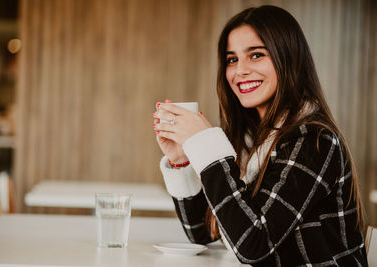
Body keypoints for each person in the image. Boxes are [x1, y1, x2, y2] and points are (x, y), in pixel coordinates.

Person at [152, 5, 368, 266]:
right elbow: (204, 233)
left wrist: (206, 147)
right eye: (232, 59)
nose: (240, 70)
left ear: (289, 58)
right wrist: (182, 160)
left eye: (256, 55)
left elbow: (253, 244)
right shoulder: (250, 140)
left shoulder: (313, 140)